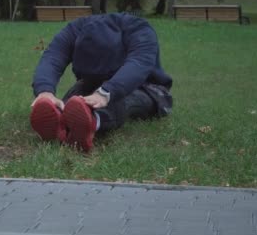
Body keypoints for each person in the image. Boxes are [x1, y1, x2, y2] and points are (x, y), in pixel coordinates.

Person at [30, 13, 173, 152]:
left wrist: (105, 92)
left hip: (147, 87)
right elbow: (53, 57)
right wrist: (45, 91)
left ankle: (93, 121)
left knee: (122, 101)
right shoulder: (76, 29)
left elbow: (139, 64)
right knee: (75, 101)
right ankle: (60, 119)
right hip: (92, 82)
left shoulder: (138, 29)